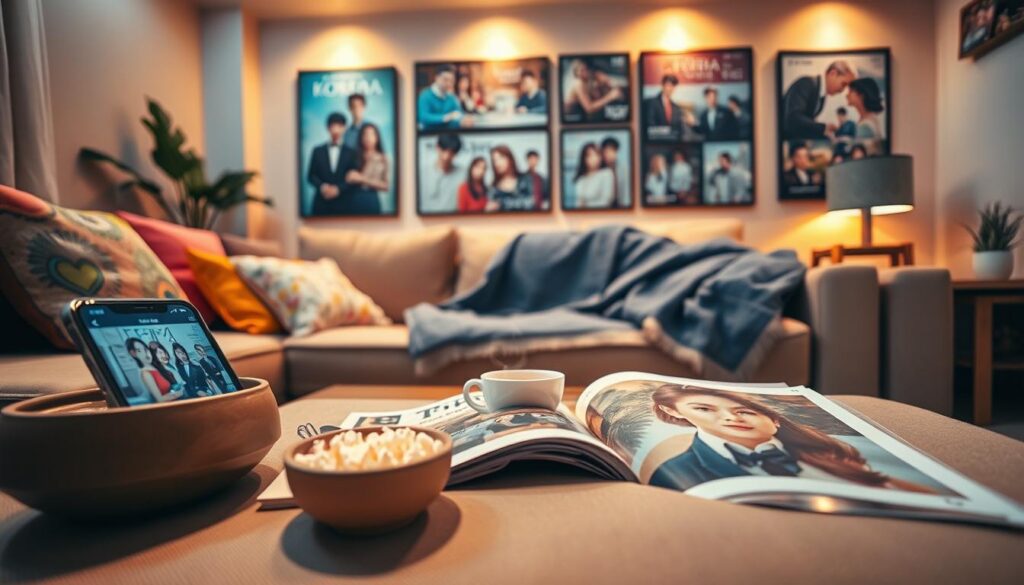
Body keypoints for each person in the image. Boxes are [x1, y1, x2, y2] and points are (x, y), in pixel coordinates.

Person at [647, 384, 937, 492]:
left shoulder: (839, 449)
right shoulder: (677, 470)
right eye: (704, 409)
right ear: (679, 414)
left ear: (773, 420)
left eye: (745, 411)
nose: (731, 418)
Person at [781, 60, 856, 139]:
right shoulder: (806, 83)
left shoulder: (821, 94)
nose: (843, 90)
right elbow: (793, 118)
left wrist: (824, 131)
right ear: (832, 73)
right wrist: (823, 128)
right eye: (843, 84)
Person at [306, 112, 358, 216]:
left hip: (344, 205)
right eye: (333, 126)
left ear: (344, 128)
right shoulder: (317, 150)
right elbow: (311, 176)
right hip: (321, 204)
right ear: (328, 128)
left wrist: (338, 189)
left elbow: (354, 180)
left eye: (339, 126)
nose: (336, 130)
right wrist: (323, 187)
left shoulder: (352, 152)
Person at [344, 123, 389, 214]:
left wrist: (361, 179)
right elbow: (348, 178)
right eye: (365, 134)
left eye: (372, 134)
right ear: (361, 137)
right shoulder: (353, 156)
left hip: (371, 198)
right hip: (353, 198)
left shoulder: (383, 158)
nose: (368, 138)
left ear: (377, 137)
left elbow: (385, 185)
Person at [125, 338, 181, 403]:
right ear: (133, 354)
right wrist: (179, 393)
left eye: (145, 349)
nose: (146, 353)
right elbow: (160, 399)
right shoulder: (145, 373)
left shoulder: (157, 367)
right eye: (139, 350)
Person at [418, 65, 472, 130]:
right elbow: (423, 117)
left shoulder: (451, 97)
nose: (449, 83)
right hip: (428, 136)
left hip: (448, 136)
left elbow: (459, 113)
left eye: (451, 81)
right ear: (437, 78)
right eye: (446, 80)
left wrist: (464, 119)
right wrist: (446, 117)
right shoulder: (425, 95)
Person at [420, 133, 464, 213]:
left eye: (451, 153)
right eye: (444, 150)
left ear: (456, 154)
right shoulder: (422, 173)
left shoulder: (463, 175)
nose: (446, 157)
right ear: (437, 148)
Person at [489, 145, 534, 211]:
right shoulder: (494, 188)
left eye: (501, 158)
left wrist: (502, 204)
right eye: (494, 160)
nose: (497, 163)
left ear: (510, 158)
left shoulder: (525, 179)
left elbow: (531, 203)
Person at [572, 142, 615, 209]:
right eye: (590, 155)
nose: (594, 158)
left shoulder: (606, 173)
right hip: (582, 217)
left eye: (597, 155)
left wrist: (586, 205)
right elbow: (578, 202)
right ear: (584, 159)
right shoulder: (581, 178)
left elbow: (606, 201)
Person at [643, 74, 684, 139]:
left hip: (673, 143)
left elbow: (679, 129)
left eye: (673, 86)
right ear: (662, 86)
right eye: (668, 85)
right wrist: (667, 132)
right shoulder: (652, 103)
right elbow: (650, 124)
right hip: (656, 142)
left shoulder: (676, 108)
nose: (670, 88)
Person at [601, 137, 629, 208]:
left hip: (620, 205)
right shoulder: (600, 169)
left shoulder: (623, 169)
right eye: (606, 151)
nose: (608, 155)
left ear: (616, 152)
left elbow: (626, 191)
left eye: (611, 151)